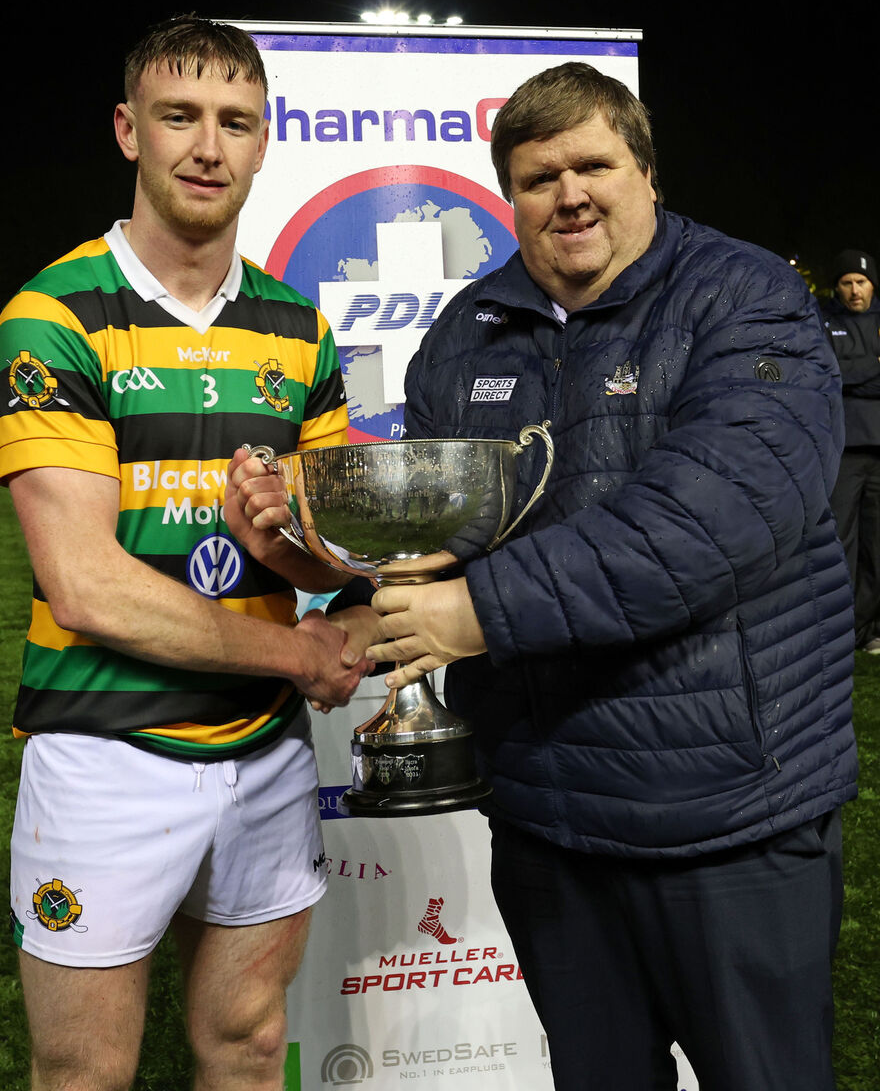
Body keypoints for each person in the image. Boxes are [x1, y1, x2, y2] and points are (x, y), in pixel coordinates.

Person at [343, 64, 858, 1090]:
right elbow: (442, 535)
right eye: (538, 177)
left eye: (592, 165)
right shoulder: (463, 333)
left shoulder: (744, 297)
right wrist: (331, 574)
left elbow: (705, 524)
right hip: (549, 817)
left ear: (645, 173)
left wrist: (471, 614)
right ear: (509, 195)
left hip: (726, 815)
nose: (568, 193)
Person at [0, 16, 371, 1091]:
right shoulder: (52, 315)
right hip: (106, 751)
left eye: (234, 122)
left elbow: (330, 561)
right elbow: (87, 585)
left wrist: (285, 538)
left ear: (262, 142)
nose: (208, 146)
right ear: (128, 132)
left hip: (265, 754)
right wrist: (303, 657)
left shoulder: (300, 328)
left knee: (248, 1050)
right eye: (179, 117)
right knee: (84, 1072)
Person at [822, 249, 880, 651]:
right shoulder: (823, 320)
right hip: (844, 448)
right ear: (837, 287)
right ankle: (840, 629)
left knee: (877, 544)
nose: (855, 290)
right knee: (841, 539)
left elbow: (846, 375)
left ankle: (869, 629)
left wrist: (853, 375)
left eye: (861, 282)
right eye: (847, 282)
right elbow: (828, 373)